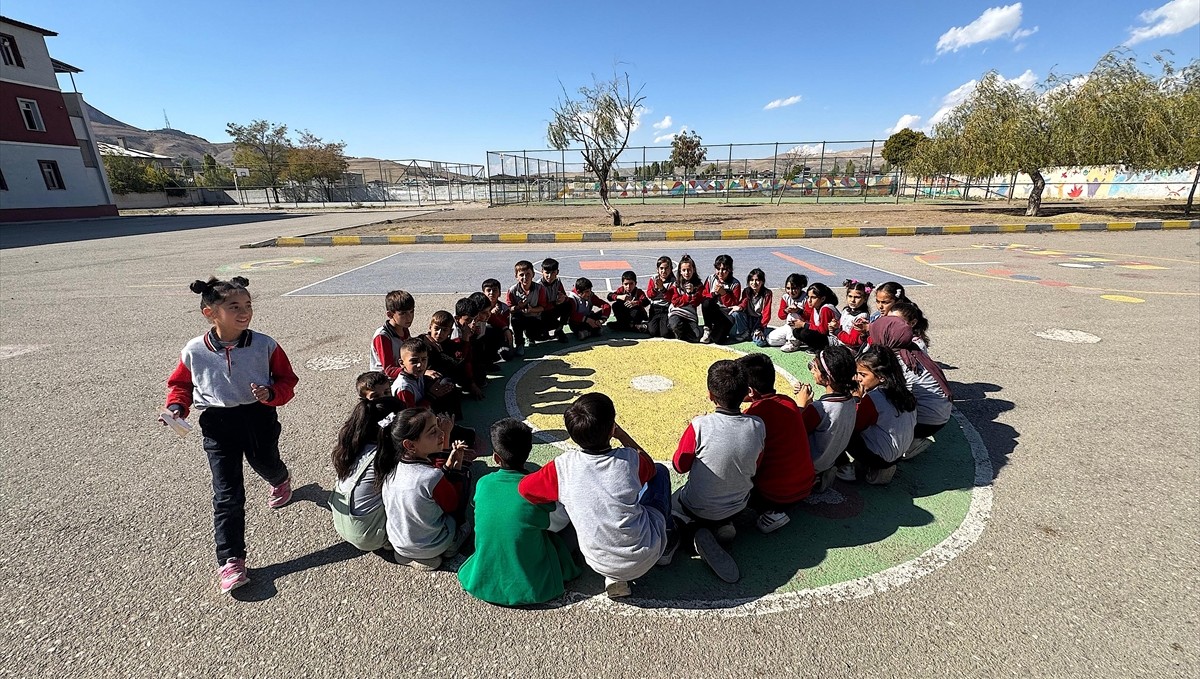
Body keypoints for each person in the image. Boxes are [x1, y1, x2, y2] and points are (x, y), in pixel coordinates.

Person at [164, 276, 299, 594]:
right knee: (227, 495)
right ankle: (231, 560)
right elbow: (181, 384)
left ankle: (280, 478)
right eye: (234, 306)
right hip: (217, 425)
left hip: (258, 417)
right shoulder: (195, 350)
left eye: (248, 305)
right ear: (210, 313)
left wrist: (271, 393)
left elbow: (287, 380)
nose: (244, 311)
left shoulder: (265, 345)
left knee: (266, 463)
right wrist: (176, 407)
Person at [518, 393, 671, 599]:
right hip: (647, 553)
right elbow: (650, 467)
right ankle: (667, 543)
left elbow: (525, 489)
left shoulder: (562, 467)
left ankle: (614, 576)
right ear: (611, 428)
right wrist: (622, 435)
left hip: (598, 561)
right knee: (660, 472)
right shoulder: (630, 459)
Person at [457, 419, 582, 606]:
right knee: (573, 522)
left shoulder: (483, 483)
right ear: (529, 451)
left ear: (496, 458)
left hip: (483, 577)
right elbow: (559, 524)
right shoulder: (537, 490)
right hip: (532, 584)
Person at [665, 360, 766, 583]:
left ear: (711, 395)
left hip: (696, 507)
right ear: (745, 393)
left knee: (670, 503)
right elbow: (755, 465)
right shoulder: (758, 425)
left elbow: (679, 466)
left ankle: (689, 534)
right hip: (739, 506)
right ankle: (722, 525)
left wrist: (695, 425)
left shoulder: (700, 425)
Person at [377, 408, 471, 570]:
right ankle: (449, 547)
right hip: (429, 545)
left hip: (398, 543)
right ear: (410, 445)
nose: (441, 433)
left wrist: (447, 466)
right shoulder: (431, 477)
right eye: (433, 432)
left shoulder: (390, 468)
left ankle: (408, 555)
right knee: (465, 480)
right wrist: (457, 470)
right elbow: (453, 505)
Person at [736, 353, 813, 533]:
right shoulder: (788, 402)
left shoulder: (754, 415)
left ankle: (772, 513)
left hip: (776, 495)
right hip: (806, 484)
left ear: (750, 391)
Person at [329, 389, 404, 553]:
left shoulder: (354, 446)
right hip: (370, 535)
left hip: (344, 524)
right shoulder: (385, 455)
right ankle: (396, 542)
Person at [869, 316, 952, 460]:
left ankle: (910, 443)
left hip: (927, 422)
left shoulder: (896, 362)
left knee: (878, 413)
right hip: (941, 414)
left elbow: (895, 398)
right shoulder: (913, 350)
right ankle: (912, 440)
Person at [836, 346, 917, 486]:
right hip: (898, 454)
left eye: (863, 375)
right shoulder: (904, 392)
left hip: (879, 458)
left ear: (881, 377)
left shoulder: (874, 398)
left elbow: (853, 424)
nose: (858, 379)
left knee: (839, 424)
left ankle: (844, 466)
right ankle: (878, 468)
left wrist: (856, 399)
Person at [795, 346, 858, 493]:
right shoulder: (851, 401)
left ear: (827, 378)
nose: (812, 370)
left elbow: (795, 431)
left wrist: (801, 405)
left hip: (811, 462)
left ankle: (810, 479)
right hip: (830, 458)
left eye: (815, 368)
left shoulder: (819, 409)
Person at [369, 290, 415, 379]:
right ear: (390, 314)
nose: (409, 317)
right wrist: (418, 370)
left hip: (403, 375)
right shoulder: (382, 336)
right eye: (403, 314)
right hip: (384, 382)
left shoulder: (404, 329)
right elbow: (389, 370)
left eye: (411, 311)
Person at [700, 254, 745, 344]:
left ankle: (723, 330)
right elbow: (703, 296)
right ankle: (707, 328)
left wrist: (724, 293)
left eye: (724, 269)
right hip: (714, 311)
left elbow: (733, 304)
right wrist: (714, 294)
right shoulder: (710, 279)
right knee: (706, 302)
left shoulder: (735, 284)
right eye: (718, 269)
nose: (720, 272)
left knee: (718, 340)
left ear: (730, 270)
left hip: (726, 314)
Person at [784, 282, 839, 354]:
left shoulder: (826, 309)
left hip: (834, 340)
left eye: (813, 297)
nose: (809, 300)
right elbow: (812, 324)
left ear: (822, 299)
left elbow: (823, 331)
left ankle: (823, 348)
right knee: (796, 331)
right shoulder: (815, 308)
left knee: (805, 333)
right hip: (825, 337)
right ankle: (816, 347)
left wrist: (803, 324)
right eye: (808, 297)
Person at [507, 260, 546, 356]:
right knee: (515, 319)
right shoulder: (512, 291)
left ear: (533, 274)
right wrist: (518, 307)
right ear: (516, 276)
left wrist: (531, 310)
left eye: (528, 274)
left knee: (541, 334)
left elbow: (542, 307)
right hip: (520, 318)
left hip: (534, 317)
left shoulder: (540, 288)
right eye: (521, 275)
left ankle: (531, 336)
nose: (525, 277)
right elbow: (509, 309)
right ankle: (519, 344)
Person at [667, 260, 705, 343]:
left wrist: (692, 293)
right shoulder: (676, 284)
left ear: (693, 270)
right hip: (677, 312)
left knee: (696, 337)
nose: (686, 273)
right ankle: (674, 329)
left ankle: (701, 329)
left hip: (690, 315)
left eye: (689, 270)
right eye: (684, 270)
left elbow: (696, 302)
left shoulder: (698, 285)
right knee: (675, 325)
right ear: (680, 271)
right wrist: (687, 296)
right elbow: (675, 302)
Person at [767, 273, 808, 348]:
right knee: (771, 339)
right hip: (789, 327)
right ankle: (795, 340)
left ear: (800, 287)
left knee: (792, 315)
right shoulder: (785, 297)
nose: (791, 291)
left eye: (794, 288)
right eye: (788, 288)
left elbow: (810, 316)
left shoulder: (806, 298)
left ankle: (793, 343)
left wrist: (798, 311)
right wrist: (786, 310)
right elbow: (781, 316)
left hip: (803, 327)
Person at [830, 279, 872, 352]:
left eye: (857, 297)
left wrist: (836, 331)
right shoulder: (846, 311)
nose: (852, 300)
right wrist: (834, 325)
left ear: (865, 299)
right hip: (839, 342)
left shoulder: (862, 317)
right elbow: (841, 326)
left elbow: (853, 341)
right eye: (850, 296)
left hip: (850, 349)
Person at [538, 258, 572, 343]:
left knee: (568, 304)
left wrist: (563, 298)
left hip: (553, 308)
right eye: (547, 273)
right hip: (542, 313)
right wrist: (555, 303)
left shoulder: (558, 282)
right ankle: (546, 329)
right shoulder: (538, 286)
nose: (549, 276)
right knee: (540, 334)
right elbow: (540, 306)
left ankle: (559, 330)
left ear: (557, 272)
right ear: (542, 271)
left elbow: (564, 296)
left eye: (553, 273)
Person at [481, 278, 516, 362]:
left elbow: (504, 326)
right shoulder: (480, 307)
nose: (491, 293)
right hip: (484, 335)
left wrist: (496, 316)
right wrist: (490, 315)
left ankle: (505, 346)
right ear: (483, 293)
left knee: (508, 356)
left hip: (499, 334)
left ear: (499, 293)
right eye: (488, 290)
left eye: (494, 290)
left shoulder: (504, 308)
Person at [645, 256, 676, 339]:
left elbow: (671, 298)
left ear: (671, 269)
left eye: (666, 268)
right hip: (654, 308)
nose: (664, 271)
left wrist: (662, 289)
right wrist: (655, 289)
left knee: (665, 333)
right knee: (653, 332)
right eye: (661, 268)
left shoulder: (674, 282)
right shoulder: (653, 279)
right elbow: (649, 295)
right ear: (657, 269)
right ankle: (645, 325)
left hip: (666, 309)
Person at [741, 268, 773, 347]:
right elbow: (743, 303)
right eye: (751, 280)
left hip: (759, 321)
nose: (754, 283)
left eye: (757, 280)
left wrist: (760, 328)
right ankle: (747, 332)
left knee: (760, 343)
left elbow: (766, 312)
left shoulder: (767, 293)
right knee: (736, 314)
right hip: (747, 319)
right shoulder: (746, 291)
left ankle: (765, 331)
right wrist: (739, 307)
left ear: (762, 281)